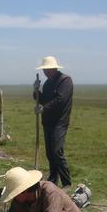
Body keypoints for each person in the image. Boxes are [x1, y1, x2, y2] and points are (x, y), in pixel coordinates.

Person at [33, 56, 73, 188]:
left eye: (47, 69)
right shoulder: (48, 83)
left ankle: (66, 183)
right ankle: (53, 179)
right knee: (50, 152)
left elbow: (60, 101)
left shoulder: (65, 81)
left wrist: (44, 108)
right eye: (44, 69)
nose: (45, 72)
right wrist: (36, 90)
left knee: (57, 151)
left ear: (54, 68)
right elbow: (42, 99)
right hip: (47, 122)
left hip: (59, 122)